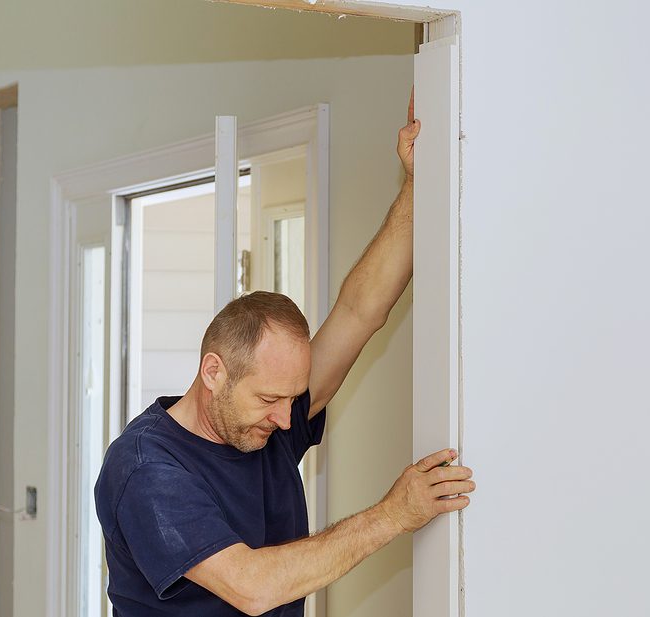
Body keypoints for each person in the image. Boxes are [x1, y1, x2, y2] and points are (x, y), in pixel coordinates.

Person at [94, 94, 476, 616]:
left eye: (293, 397)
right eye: (270, 398)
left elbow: (360, 311)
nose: (286, 416)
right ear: (213, 371)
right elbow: (251, 586)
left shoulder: (267, 419)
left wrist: (418, 183)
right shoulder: (147, 469)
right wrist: (393, 514)